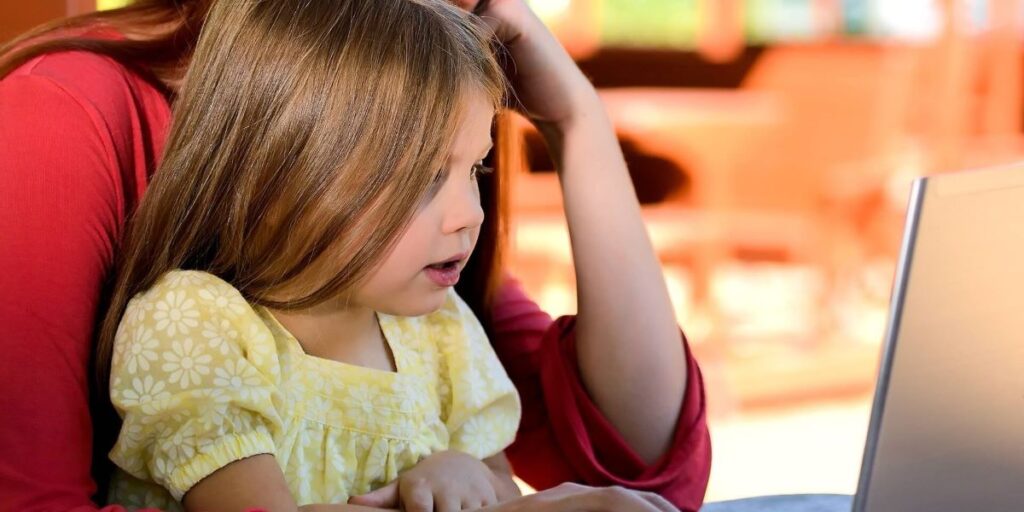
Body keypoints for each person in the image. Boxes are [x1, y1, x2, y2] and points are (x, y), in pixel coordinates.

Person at [0, 0, 711, 511]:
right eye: (423, 175)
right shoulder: (61, 120)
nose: (468, 213)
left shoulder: (413, 302)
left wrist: (576, 119)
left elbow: (645, 467)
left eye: (477, 171)